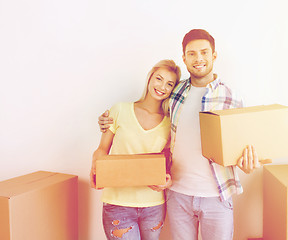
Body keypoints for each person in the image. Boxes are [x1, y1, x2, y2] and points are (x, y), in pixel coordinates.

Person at [98, 29, 260, 240]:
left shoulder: (232, 98)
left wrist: (246, 164)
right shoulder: (175, 92)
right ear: (184, 58)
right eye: (191, 53)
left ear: (214, 55)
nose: (198, 58)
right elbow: (150, 116)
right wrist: (105, 121)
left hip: (216, 196)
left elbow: (242, 146)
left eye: (204, 52)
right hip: (178, 194)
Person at [91, 59, 181, 240]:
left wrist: (168, 181)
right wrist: (95, 169)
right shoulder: (119, 110)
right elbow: (101, 149)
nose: (162, 86)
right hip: (117, 204)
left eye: (169, 84)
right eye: (159, 79)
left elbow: (168, 163)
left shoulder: (169, 124)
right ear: (150, 79)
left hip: (153, 206)